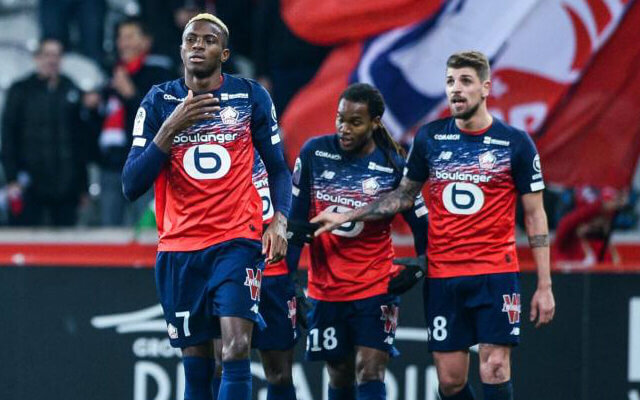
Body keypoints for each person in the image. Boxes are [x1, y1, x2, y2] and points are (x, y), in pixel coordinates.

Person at [312, 52, 556, 400]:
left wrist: (545, 285)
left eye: (466, 81)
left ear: (486, 87)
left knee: (495, 367)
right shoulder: (430, 138)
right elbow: (403, 197)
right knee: (450, 382)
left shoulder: (515, 143)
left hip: (494, 273)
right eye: (450, 81)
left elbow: (535, 215)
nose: (456, 89)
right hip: (444, 275)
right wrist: (346, 216)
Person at [121, 13, 291, 400]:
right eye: (191, 39)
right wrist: (169, 129)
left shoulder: (250, 96)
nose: (198, 45)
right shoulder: (159, 101)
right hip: (179, 248)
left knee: (236, 348)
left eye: (209, 40)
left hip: (236, 241)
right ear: (181, 50)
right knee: (199, 367)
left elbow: (279, 168)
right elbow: (131, 184)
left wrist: (279, 220)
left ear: (224, 54)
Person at [288, 83, 428, 400]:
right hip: (326, 288)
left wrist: (422, 265)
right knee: (339, 374)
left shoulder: (394, 165)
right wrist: (289, 282)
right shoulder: (314, 153)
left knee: (370, 369)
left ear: (375, 122)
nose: (344, 128)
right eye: (340, 119)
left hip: (375, 285)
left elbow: (422, 225)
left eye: (355, 122)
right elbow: (296, 225)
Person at [1, 38, 92, 227]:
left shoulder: (71, 88)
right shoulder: (20, 90)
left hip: (66, 186)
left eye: (57, 55)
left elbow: (80, 141)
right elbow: (8, 136)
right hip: (29, 184)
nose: (52, 60)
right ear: (37, 58)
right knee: (27, 239)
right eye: (47, 55)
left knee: (66, 241)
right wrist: (12, 178)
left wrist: (83, 186)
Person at [99, 17, 175, 226]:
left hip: (145, 164)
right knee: (108, 234)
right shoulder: (110, 73)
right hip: (111, 165)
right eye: (120, 37)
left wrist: (130, 94)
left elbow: (164, 118)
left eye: (130, 36)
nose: (123, 43)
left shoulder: (159, 73)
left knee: (146, 230)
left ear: (146, 41)